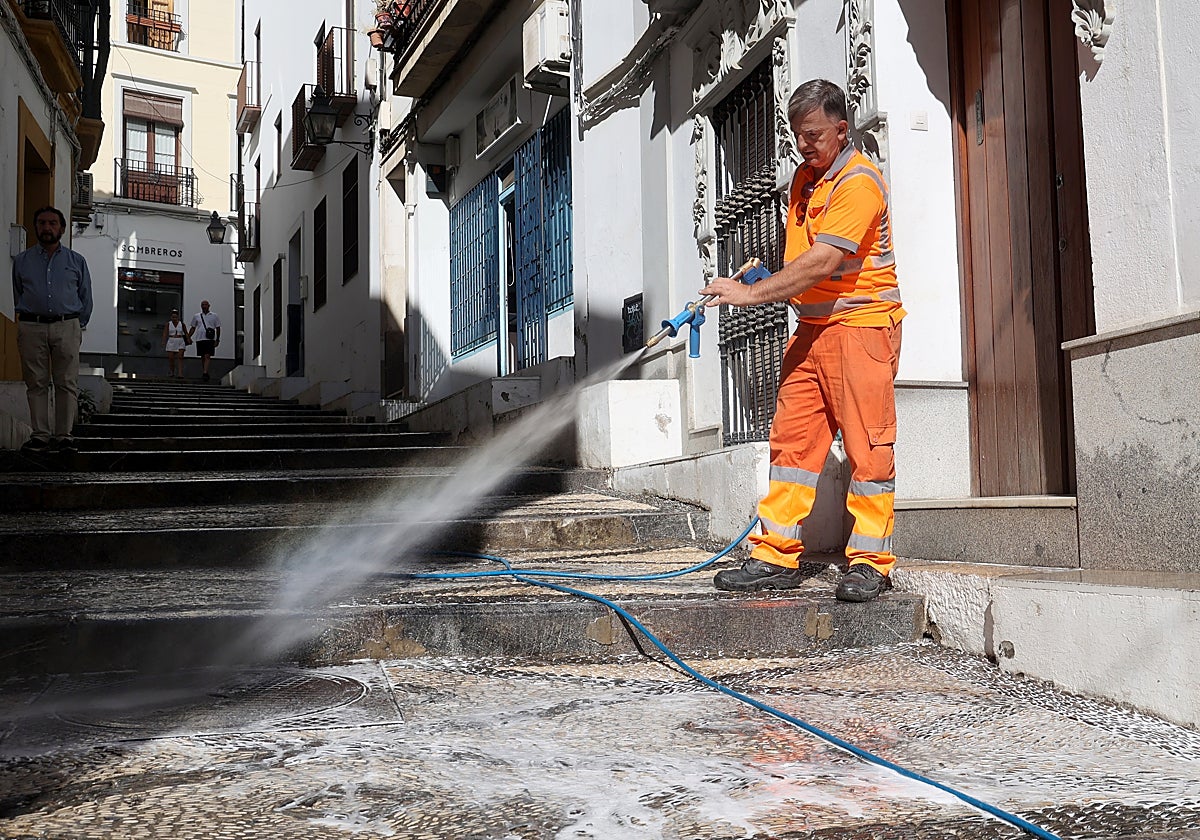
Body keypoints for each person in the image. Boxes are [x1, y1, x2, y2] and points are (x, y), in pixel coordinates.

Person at [702, 79, 905, 603]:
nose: (803, 144)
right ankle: (775, 555)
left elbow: (824, 261)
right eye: (797, 134)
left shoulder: (861, 182)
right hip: (813, 332)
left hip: (862, 329)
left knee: (868, 450)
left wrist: (750, 297)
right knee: (791, 445)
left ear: (842, 129)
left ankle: (872, 563)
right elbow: (803, 262)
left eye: (813, 134)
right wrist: (766, 276)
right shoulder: (803, 182)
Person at [10, 205, 93, 454]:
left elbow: (85, 296)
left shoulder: (76, 261)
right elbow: (18, 291)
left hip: (67, 325)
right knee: (36, 382)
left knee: (66, 382)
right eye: (42, 223)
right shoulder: (23, 260)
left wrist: (79, 325)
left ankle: (64, 436)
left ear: (62, 228)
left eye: (52, 223)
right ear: (36, 227)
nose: (47, 227)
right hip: (31, 326)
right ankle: (40, 436)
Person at [188, 299, 221, 382]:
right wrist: (188, 337)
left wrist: (217, 339)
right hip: (200, 338)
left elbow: (218, 328)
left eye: (205, 304)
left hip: (209, 339)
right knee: (202, 356)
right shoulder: (197, 316)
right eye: (202, 305)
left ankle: (205, 372)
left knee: (207, 355)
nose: (204, 306)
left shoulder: (214, 316)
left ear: (209, 306)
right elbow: (193, 327)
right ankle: (205, 371)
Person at [162, 308, 188, 377]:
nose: (174, 318)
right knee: (171, 358)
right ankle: (172, 371)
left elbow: (185, 332)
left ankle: (180, 373)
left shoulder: (182, 324)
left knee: (180, 357)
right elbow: (165, 333)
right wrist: (164, 341)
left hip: (180, 340)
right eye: (173, 317)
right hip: (171, 340)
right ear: (171, 317)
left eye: (175, 317)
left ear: (178, 317)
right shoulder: (168, 324)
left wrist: (188, 339)